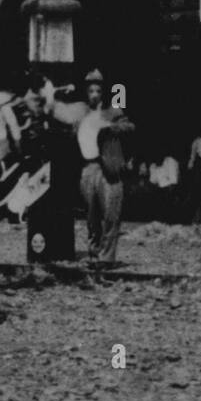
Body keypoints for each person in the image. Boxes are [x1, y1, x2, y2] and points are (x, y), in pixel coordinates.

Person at [76, 70, 134, 265]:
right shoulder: (81, 114)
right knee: (91, 216)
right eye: (91, 91)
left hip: (107, 167)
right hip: (87, 168)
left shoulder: (113, 111)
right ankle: (94, 254)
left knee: (111, 213)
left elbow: (130, 127)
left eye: (98, 91)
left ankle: (107, 258)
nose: (94, 94)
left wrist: (111, 127)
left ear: (103, 93)